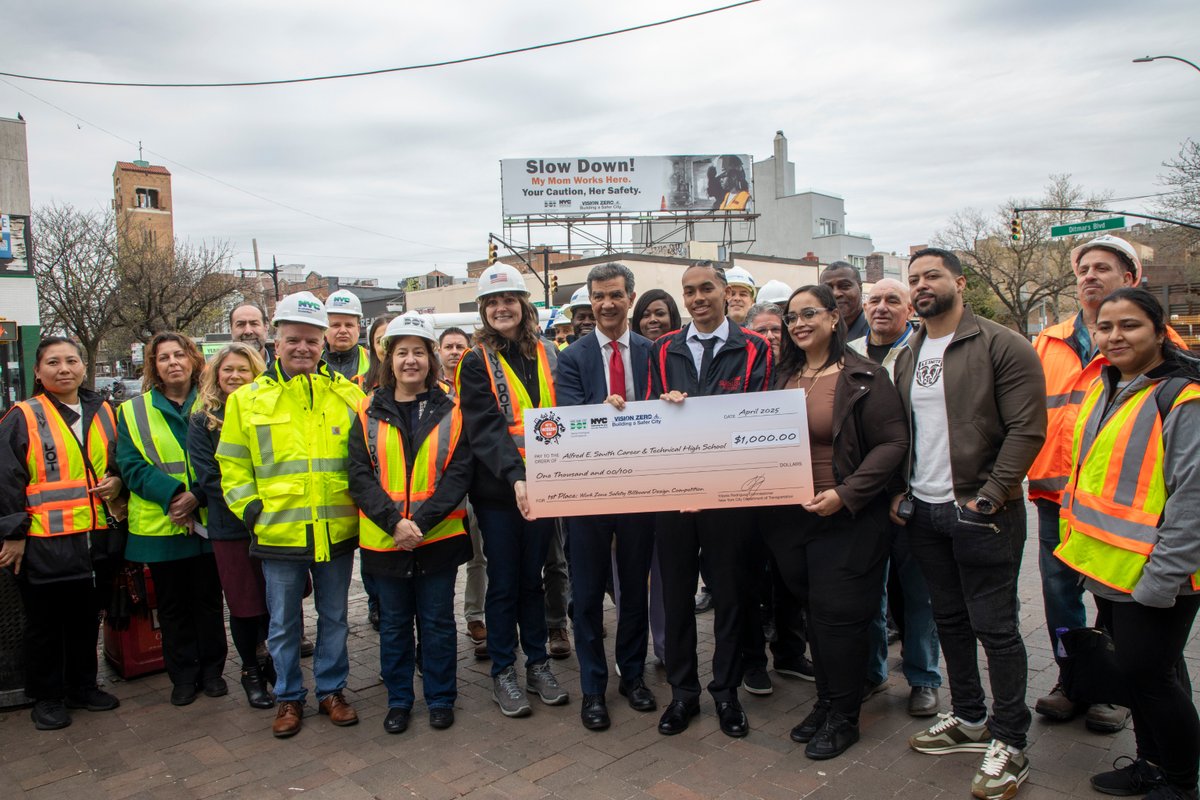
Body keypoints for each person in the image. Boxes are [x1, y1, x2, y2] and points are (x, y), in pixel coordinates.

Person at [894, 248, 1046, 800]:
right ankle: (969, 717)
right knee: (951, 621)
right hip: (925, 511)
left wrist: (989, 498)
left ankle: (1009, 739)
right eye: (914, 279)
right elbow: (907, 431)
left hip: (981, 512)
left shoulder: (1003, 344)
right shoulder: (911, 351)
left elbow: (1028, 430)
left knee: (997, 628)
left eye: (931, 275)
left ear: (959, 281)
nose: (921, 285)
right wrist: (902, 492)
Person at [1056, 288, 1200, 800]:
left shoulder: (1182, 396)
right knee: (1139, 677)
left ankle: (1182, 784)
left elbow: (1192, 500)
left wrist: (1162, 580)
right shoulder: (1105, 384)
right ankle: (1149, 763)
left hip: (1158, 574)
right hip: (1111, 567)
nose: (1115, 336)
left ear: (1160, 332)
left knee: (1154, 679)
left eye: (1130, 325)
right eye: (1105, 326)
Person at [1028, 235, 1173, 734]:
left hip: (1124, 508)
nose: (1088, 275)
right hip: (1058, 498)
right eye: (1082, 268)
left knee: (1115, 602)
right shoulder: (1049, 341)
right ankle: (1073, 680)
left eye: (1102, 268)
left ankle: (1115, 691)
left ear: (1130, 278)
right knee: (1061, 597)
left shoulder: (1157, 344)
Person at [763, 285, 908, 759]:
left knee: (840, 619)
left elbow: (892, 444)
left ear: (832, 317)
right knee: (814, 616)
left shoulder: (864, 375)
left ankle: (845, 717)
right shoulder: (783, 375)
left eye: (809, 313)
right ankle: (827, 702)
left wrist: (846, 494)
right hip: (791, 518)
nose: (799, 323)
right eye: (791, 317)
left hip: (846, 518)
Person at [217, 291, 366, 738]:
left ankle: (331, 691)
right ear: (275, 342)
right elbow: (232, 463)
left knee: (335, 618)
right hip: (278, 533)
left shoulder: (346, 395)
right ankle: (288, 696)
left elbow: (363, 459)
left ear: (323, 344)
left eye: (311, 341)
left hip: (335, 529)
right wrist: (251, 508)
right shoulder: (247, 400)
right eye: (293, 339)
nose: (303, 348)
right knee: (283, 623)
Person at [649, 260, 772, 739]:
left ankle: (726, 692)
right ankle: (683, 694)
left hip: (730, 497)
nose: (697, 297)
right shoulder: (663, 349)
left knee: (730, 597)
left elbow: (757, 417)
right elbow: (649, 412)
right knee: (676, 596)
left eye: (706, 288)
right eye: (689, 291)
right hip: (674, 496)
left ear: (725, 291)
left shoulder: (756, 347)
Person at [349, 313, 473, 734]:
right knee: (396, 626)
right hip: (386, 542)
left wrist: (418, 522)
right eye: (401, 352)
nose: (410, 360)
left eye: (418, 352)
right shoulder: (368, 407)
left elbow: (459, 472)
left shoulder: (452, 408)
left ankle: (440, 698)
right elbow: (358, 474)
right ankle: (399, 700)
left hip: (436, 538)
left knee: (438, 623)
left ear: (431, 358)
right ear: (389, 359)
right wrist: (394, 523)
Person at [455, 264, 569, 718]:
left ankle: (537, 663)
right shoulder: (474, 359)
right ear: (484, 311)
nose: (502, 308)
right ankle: (504, 668)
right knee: (503, 583)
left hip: (547, 486)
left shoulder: (548, 351)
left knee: (532, 580)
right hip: (501, 492)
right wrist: (517, 477)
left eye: (509, 301)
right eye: (493, 303)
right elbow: (484, 427)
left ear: (525, 306)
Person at [0, 337, 123, 730]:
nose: (64, 368)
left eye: (71, 361)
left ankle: (83, 686)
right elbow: (6, 480)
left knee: (86, 618)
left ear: (84, 368)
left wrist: (118, 481)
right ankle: (47, 697)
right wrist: (13, 533)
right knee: (45, 625)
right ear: (38, 372)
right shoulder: (22, 416)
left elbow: (121, 459)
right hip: (43, 543)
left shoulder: (103, 410)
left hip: (97, 538)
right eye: (53, 362)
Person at [556, 263, 658, 731]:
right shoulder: (572, 356)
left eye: (615, 295)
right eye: (598, 297)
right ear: (589, 302)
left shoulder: (652, 351)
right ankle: (593, 688)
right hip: (588, 490)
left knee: (635, 589)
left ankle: (633, 677)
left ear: (630, 297)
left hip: (640, 488)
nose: (606, 304)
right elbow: (567, 417)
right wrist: (600, 414)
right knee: (589, 593)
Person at [116, 331, 228, 708]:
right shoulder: (132, 411)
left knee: (209, 602)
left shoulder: (214, 404)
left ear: (194, 360)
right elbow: (129, 465)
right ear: (154, 366)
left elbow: (226, 458)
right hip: (163, 525)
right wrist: (174, 495)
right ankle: (182, 676)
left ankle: (213, 672)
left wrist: (197, 494)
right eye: (163, 358)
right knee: (172, 607)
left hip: (209, 521)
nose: (173, 363)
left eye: (179, 355)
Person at [851, 279, 941, 718]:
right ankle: (872, 672)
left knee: (918, 592)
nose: (882, 308)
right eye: (875, 301)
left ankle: (924, 678)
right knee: (869, 592)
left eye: (893, 301)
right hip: (862, 493)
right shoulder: (847, 354)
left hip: (913, 492)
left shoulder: (927, 354)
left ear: (911, 310)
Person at [188, 342, 273, 710]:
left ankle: (272, 661)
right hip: (232, 527)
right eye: (228, 370)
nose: (235, 376)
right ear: (215, 376)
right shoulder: (202, 421)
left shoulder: (271, 410)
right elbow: (209, 478)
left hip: (275, 525)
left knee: (276, 603)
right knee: (244, 605)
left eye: (244, 369)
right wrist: (252, 506)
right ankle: (251, 671)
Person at [739, 303, 815, 694]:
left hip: (788, 498)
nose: (770, 337)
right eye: (762, 330)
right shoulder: (744, 371)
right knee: (750, 583)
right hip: (747, 500)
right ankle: (753, 662)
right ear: (749, 334)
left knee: (789, 583)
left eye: (776, 330)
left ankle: (789, 653)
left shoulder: (797, 376)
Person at [631, 289, 682, 666]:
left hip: (674, 477)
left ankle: (666, 648)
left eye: (661, 314)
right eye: (646, 314)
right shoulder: (631, 352)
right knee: (628, 570)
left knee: (667, 570)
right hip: (628, 476)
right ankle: (632, 647)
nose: (653, 320)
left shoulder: (681, 355)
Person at [440, 326, 489, 658]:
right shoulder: (432, 391)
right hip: (444, 487)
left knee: (478, 556)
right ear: (439, 352)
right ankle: (440, 626)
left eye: (461, 346)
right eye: (449, 347)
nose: (455, 352)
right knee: (444, 560)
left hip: (479, 483)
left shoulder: (477, 383)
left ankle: (475, 617)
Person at [360, 313, 394, 632]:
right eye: (380, 339)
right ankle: (375, 604)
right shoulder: (360, 389)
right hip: (373, 503)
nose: (385, 345)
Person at [323, 289, 370, 385]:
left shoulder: (374, 361)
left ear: (358, 328)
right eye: (336, 325)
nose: (343, 331)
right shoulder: (313, 361)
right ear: (325, 329)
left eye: (349, 325)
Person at [820, 261, 869, 342]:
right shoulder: (817, 334)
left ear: (860, 289)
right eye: (828, 289)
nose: (835, 293)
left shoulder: (876, 332)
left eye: (844, 286)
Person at [229, 301, 273, 371]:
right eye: (241, 324)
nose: (248, 331)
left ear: (266, 326)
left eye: (254, 324)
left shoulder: (285, 368)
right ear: (231, 329)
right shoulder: (217, 371)